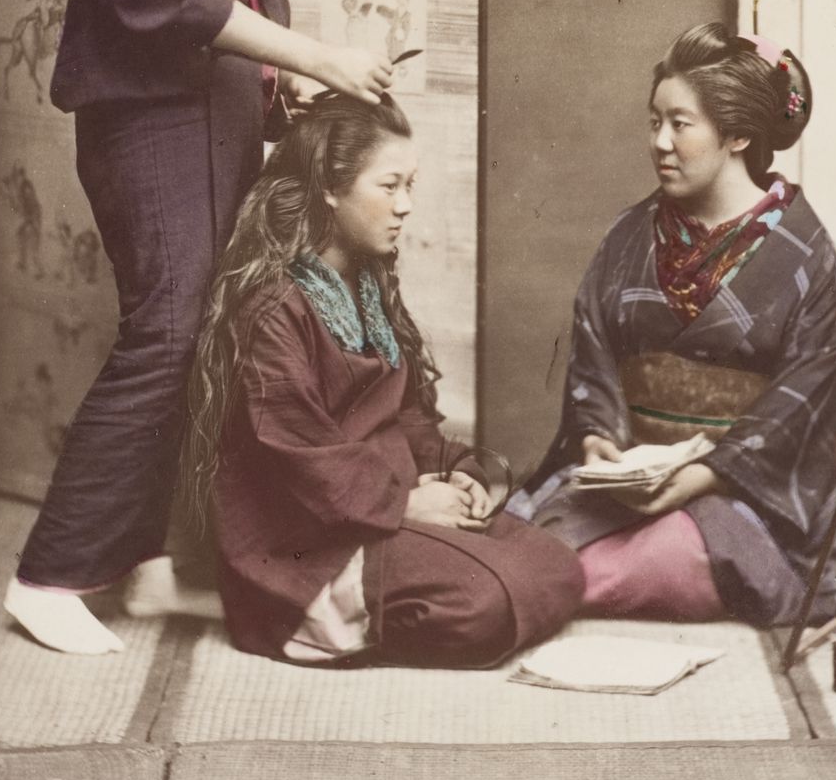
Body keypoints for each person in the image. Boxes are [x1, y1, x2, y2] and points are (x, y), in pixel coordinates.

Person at [5, 0, 394, 656]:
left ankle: (135, 555)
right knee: (169, 331)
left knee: (204, 334)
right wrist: (314, 58)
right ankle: (48, 574)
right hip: (145, 122)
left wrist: (283, 96)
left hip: (213, 116)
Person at [513, 21, 836, 631]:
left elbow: (799, 403)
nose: (660, 143)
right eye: (654, 122)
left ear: (738, 136)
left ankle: (578, 576)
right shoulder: (628, 236)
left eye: (681, 124)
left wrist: (699, 477)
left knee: (676, 553)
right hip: (632, 475)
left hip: (739, 489)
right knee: (524, 535)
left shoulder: (805, 255)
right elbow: (593, 357)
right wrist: (599, 438)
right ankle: (567, 568)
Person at [185, 93, 584, 667]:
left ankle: (410, 580)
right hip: (307, 545)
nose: (405, 207)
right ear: (330, 188)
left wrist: (454, 470)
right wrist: (405, 505)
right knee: (487, 601)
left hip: (383, 506)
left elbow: (404, 416)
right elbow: (301, 456)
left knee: (559, 567)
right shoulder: (272, 310)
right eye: (389, 186)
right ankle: (324, 617)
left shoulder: (369, 284)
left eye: (410, 187)